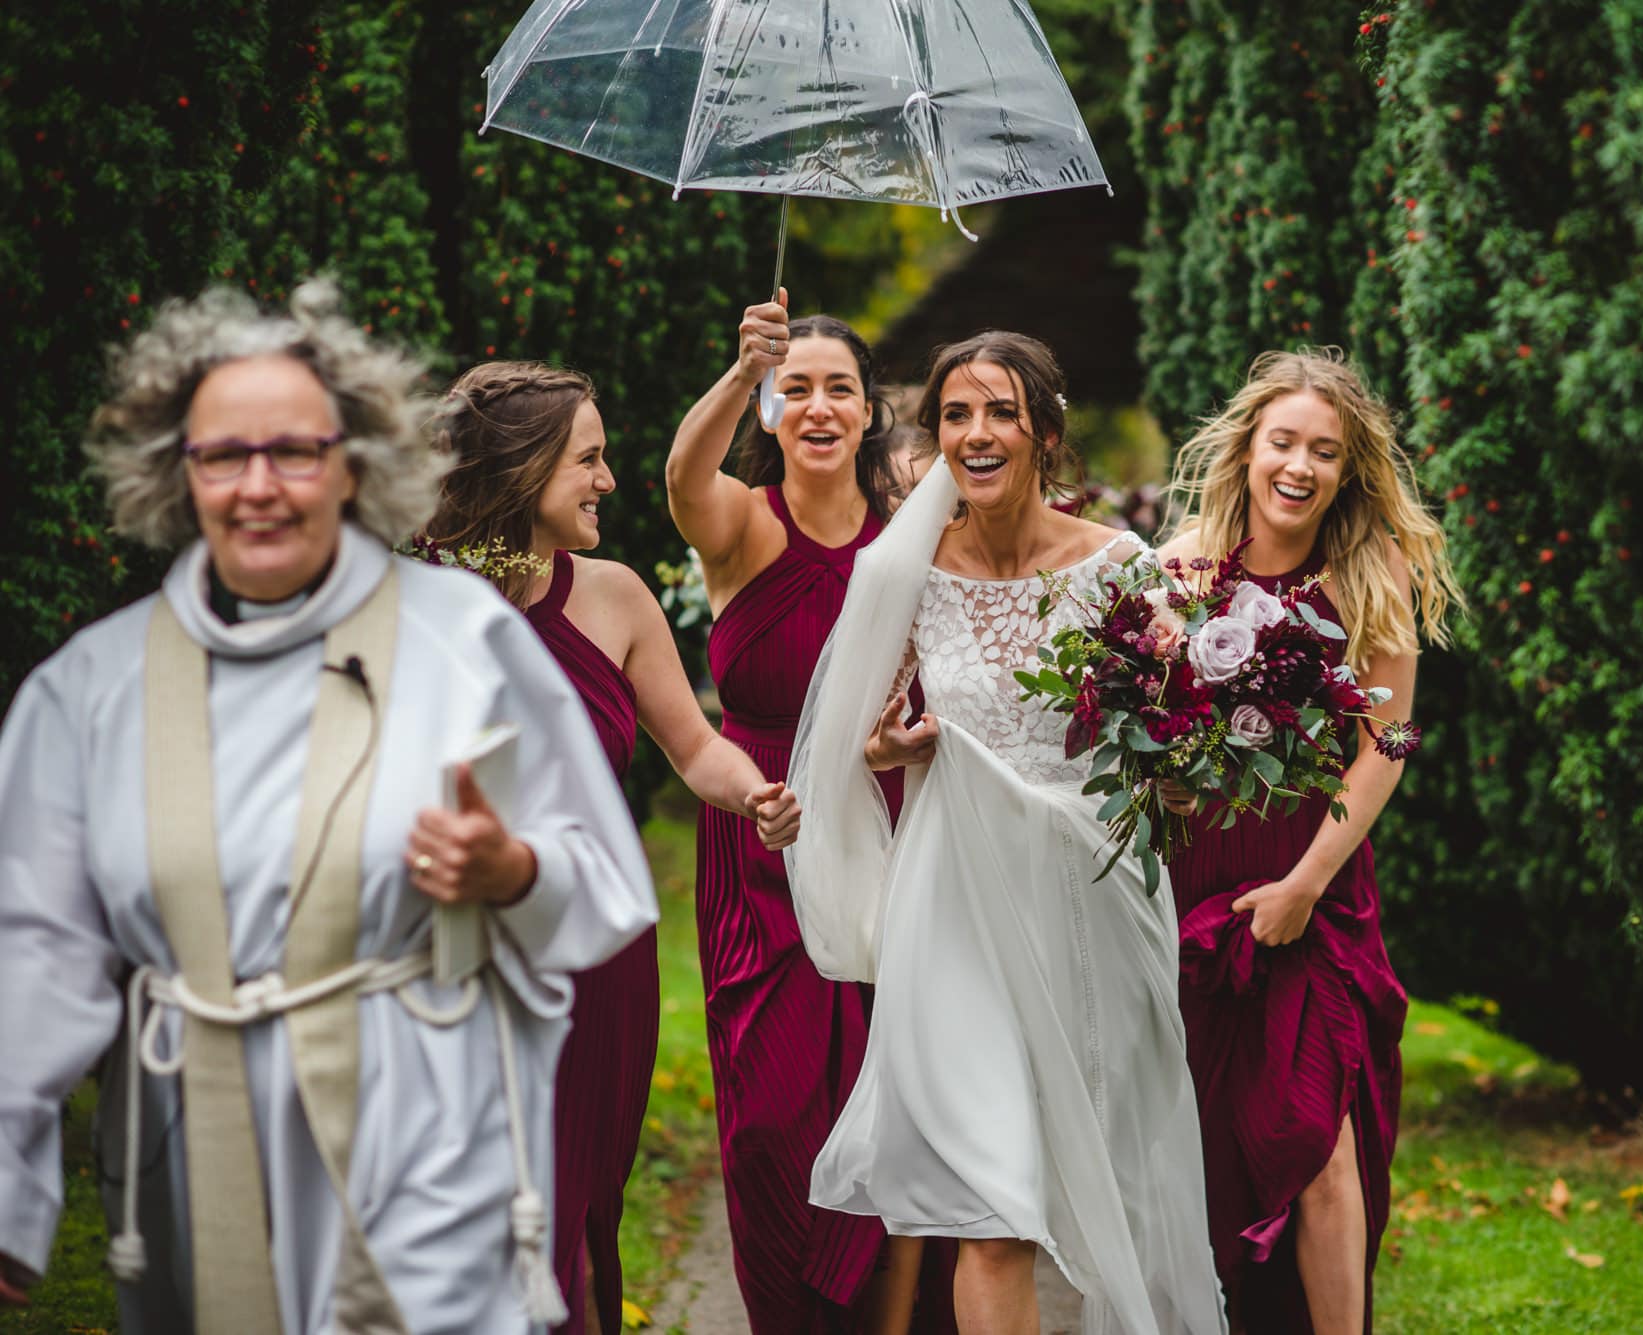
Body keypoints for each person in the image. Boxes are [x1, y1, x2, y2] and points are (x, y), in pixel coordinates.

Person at [0, 281, 657, 1332]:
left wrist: (512, 870)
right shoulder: (91, 691)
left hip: (428, 1132)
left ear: (354, 465)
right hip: (192, 1143)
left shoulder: (465, 642)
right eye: (222, 454)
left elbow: (601, 870)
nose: (259, 485)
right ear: (177, 472)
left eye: (296, 451)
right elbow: (33, 945)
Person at [785, 332, 1229, 1335]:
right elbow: (856, 742)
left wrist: (1185, 704)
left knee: (1118, 1183)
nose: (974, 433)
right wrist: (894, 750)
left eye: (997, 411)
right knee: (989, 1213)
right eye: (953, 415)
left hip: (1089, 901)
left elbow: (1168, 753)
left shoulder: (1119, 567)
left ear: (1044, 433)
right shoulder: (901, 573)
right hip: (955, 911)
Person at [428, 360, 802, 1335]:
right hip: (445, 961)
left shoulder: (616, 596)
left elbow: (695, 750)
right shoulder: (408, 601)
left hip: (592, 961)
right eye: (587, 459)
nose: (607, 480)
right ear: (521, 467)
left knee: (570, 1227)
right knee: (463, 1228)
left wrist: (755, 791)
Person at [1157, 349, 1462, 1334]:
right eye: (1282, 442)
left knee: (1317, 1139)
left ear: (1345, 471)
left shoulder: (1371, 579)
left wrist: (1301, 884)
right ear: (1247, 447)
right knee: (1207, 1150)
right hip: (1196, 893)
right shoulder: (1179, 569)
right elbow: (1132, 729)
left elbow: (1395, 735)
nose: (1298, 466)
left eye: (1322, 452)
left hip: (1316, 894)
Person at [666, 293, 944, 1332]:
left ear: (871, 412)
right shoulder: (740, 521)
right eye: (798, 389)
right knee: (772, 1121)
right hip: (761, 834)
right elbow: (679, 477)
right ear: (773, 410)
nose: (817, 405)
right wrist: (744, 371)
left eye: (840, 389)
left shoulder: (907, 542)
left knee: (897, 1102)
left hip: (887, 836)